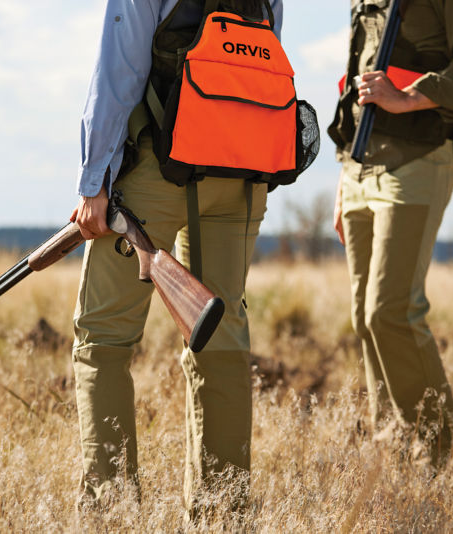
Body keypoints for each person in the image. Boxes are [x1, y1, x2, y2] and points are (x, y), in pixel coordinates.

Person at [69, 0, 284, 518]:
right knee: (223, 331)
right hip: (244, 172)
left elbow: (119, 74)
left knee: (103, 338)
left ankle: (113, 513)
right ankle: (224, 517)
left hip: (159, 168)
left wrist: (94, 181)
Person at [329, 0, 453, 464]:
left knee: (392, 311)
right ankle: (397, 453)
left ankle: (440, 457)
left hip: (417, 159)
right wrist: (344, 177)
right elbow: (359, 76)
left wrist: (409, 96)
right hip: (360, 166)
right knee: (366, 318)